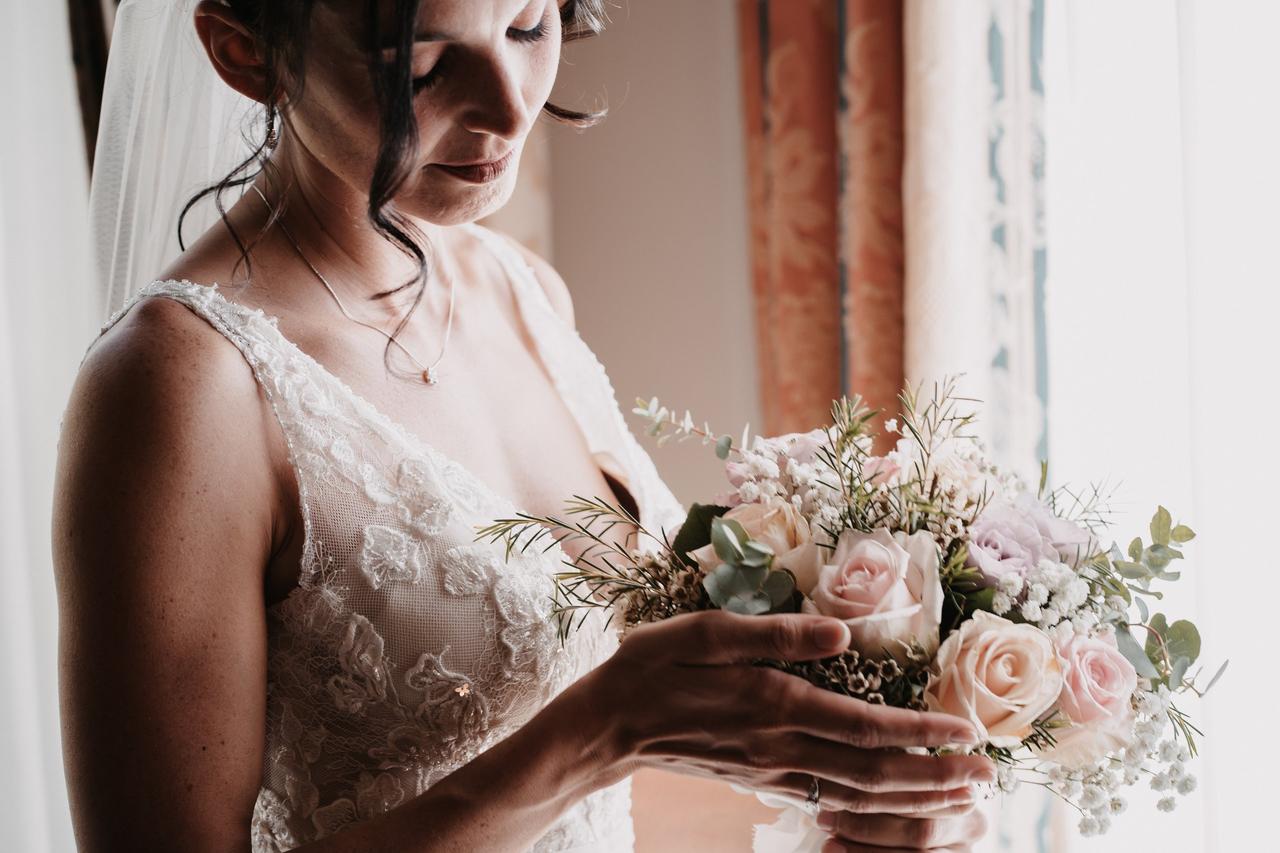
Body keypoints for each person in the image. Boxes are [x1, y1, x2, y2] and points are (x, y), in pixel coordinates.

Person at [52, 1, 995, 850]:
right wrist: (602, 730)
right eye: (419, 65)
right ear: (244, 53)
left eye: (527, 26)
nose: (509, 111)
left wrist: (856, 808)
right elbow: (594, 742)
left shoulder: (519, 288)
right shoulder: (182, 386)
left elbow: (607, 804)